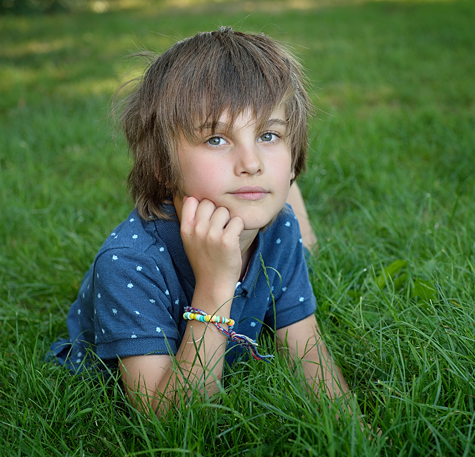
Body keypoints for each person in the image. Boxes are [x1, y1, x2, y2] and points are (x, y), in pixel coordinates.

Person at [50, 27, 349, 414]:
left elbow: (308, 354)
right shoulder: (127, 262)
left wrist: (354, 428)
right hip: (137, 383)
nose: (251, 162)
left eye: (269, 135)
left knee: (301, 246)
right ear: (161, 166)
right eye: (216, 140)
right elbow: (170, 418)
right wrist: (214, 285)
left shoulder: (279, 229)